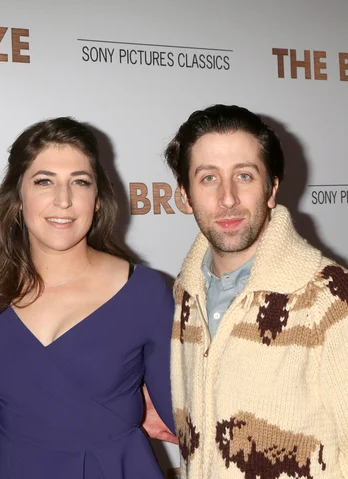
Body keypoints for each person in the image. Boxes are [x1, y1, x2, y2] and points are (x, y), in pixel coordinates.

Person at [0, 117, 175, 478]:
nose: (63, 200)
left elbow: (188, 415)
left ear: (97, 200)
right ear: (18, 199)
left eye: (80, 182)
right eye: (44, 181)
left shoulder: (144, 292)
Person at [165, 104, 348, 478]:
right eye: (208, 178)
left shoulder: (329, 296)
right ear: (184, 195)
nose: (228, 197)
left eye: (245, 176)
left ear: (272, 188)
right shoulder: (186, 293)